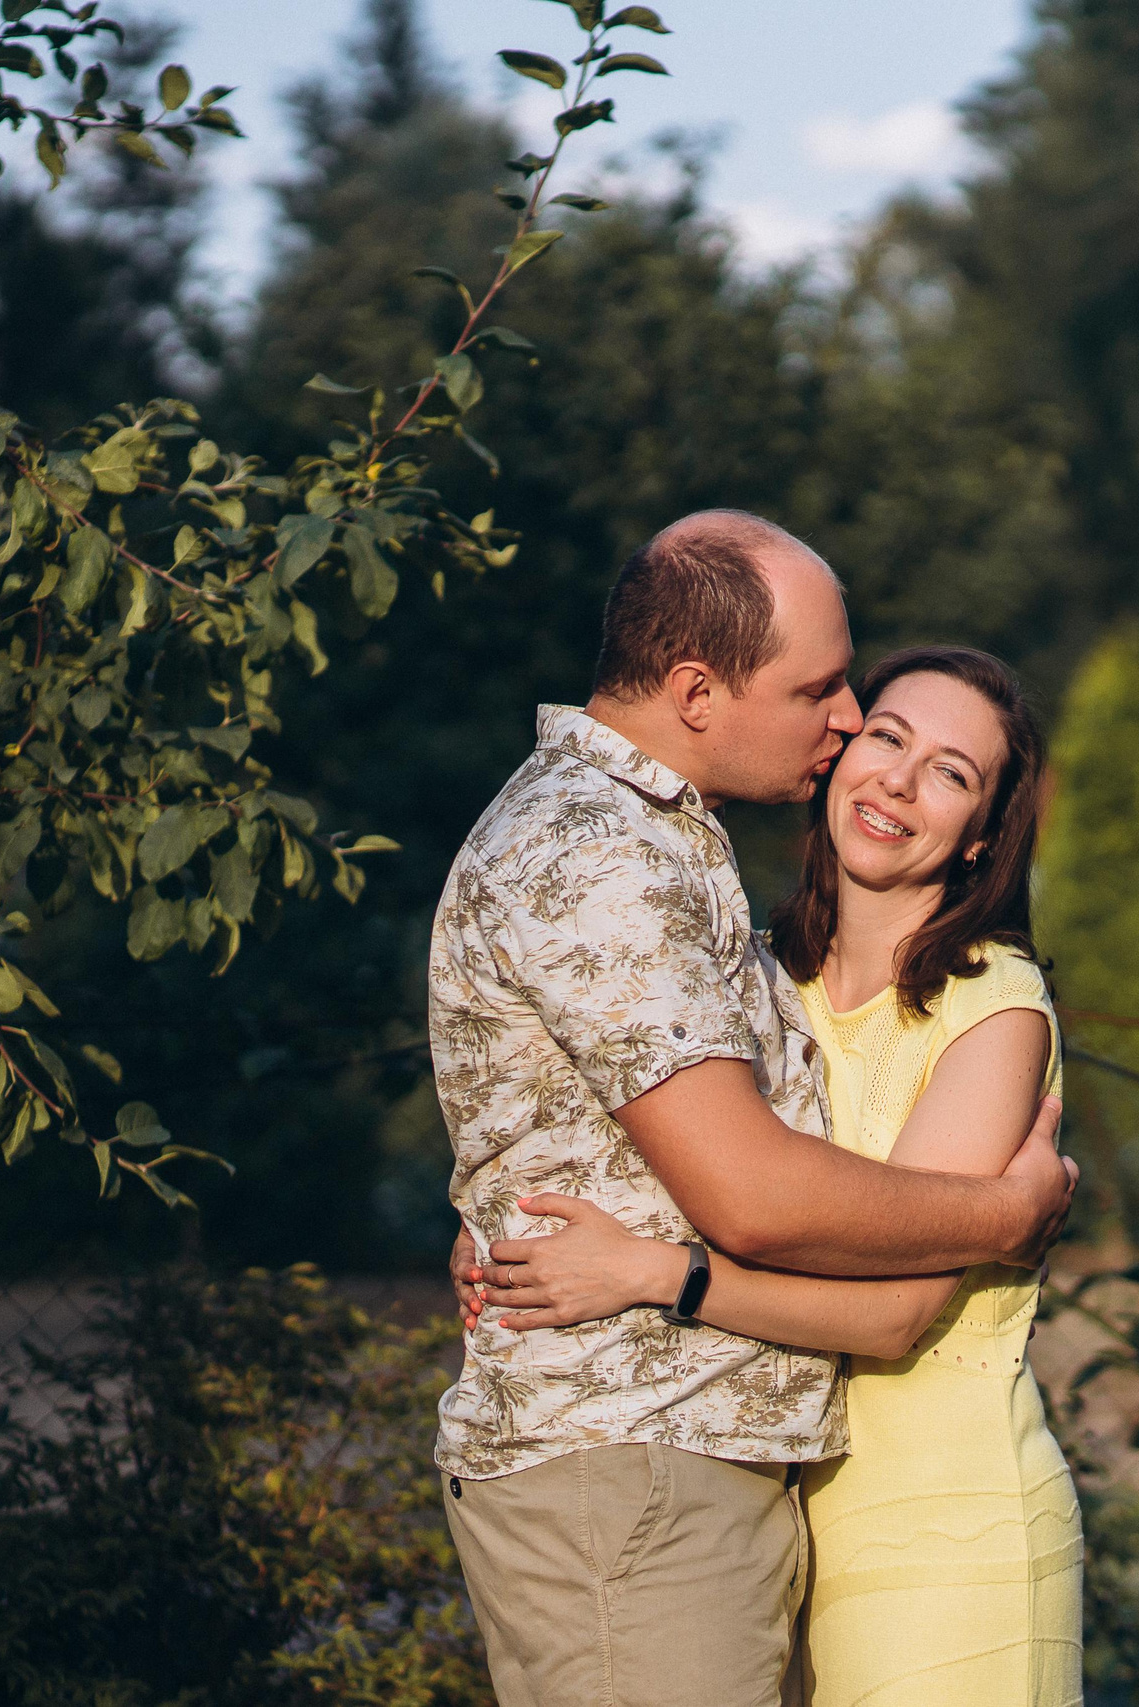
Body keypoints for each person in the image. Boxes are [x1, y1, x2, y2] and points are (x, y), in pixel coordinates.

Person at [428, 511, 1076, 1707]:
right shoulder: (601, 857)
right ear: (693, 690)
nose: (843, 728)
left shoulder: (675, 853)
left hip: (731, 1479)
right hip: (633, 1466)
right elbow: (753, 1196)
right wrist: (1003, 1216)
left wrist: (532, 1229)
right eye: (828, 693)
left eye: (950, 770)